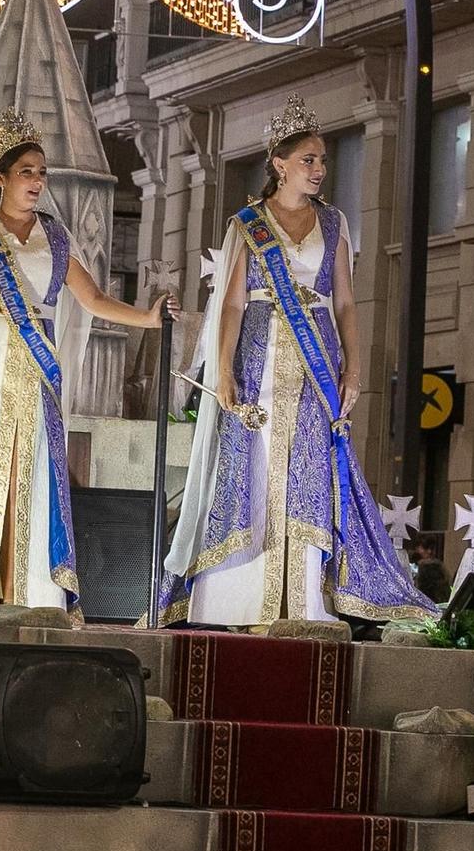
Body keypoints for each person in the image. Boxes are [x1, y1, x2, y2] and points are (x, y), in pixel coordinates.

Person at [158, 96, 433, 628]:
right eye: (308, 160)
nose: (319, 169)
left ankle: (303, 601)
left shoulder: (334, 222)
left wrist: (354, 369)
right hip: (258, 360)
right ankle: (237, 600)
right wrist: (225, 369)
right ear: (279, 164)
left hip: (315, 363)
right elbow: (232, 305)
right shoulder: (248, 224)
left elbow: (346, 302)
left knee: (309, 473)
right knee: (254, 470)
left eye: (322, 160)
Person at [0, 117, 171, 615]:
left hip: (37, 370)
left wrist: (148, 319)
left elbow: (91, 298)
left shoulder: (55, 236)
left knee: (32, 473)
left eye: (42, 172)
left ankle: (26, 592)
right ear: (1, 178)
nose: (37, 180)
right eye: (26, 171)